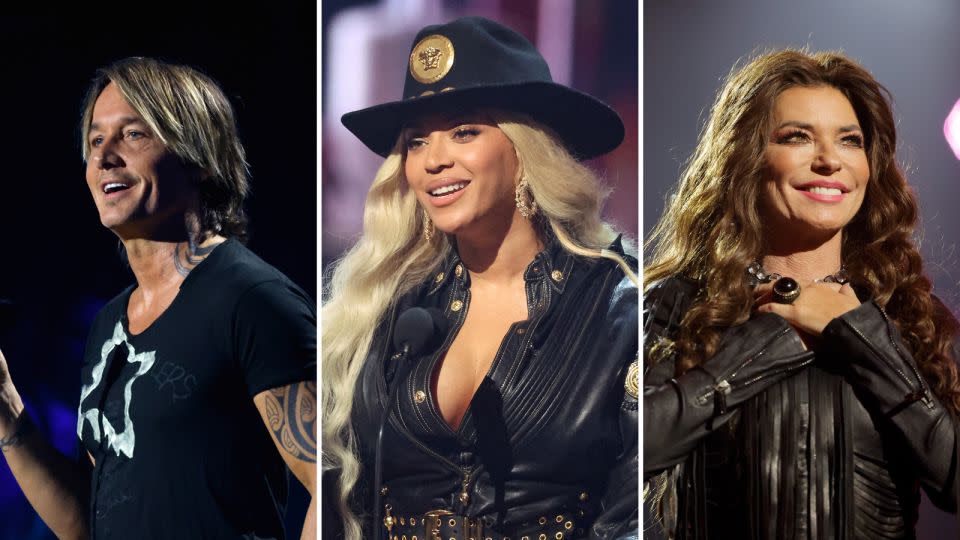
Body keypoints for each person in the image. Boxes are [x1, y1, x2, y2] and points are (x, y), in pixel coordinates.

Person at [322, 16, 639, 540]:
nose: (434, 160)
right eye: (418, 141)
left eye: (465, 132)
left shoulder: (619, 309)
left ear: (524, 150)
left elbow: (633, 517)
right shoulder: (381, 305)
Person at [643, 49, 960, 539]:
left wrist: (860, 337)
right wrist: (771, 341)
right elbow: (619, 455)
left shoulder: (907, 312)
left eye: (850, 142)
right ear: (745, 158)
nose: (830, 161)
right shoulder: (680, 304)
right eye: (797, 137)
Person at [0, 57, 317, 539]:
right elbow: (87, 523)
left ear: (200, 157)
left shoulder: (251, 300)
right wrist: (5, 409)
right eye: (95, 140)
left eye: (133, 134)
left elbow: (335, 485)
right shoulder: (109, 324)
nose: (105, 156)